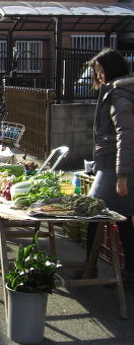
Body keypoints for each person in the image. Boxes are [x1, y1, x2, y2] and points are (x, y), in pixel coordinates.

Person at [86, 48, 134, 280]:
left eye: (101, 70)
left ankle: (89, 268)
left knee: (92, 213)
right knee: (123, 216)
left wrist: (122, 175)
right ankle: (128, 271)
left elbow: (126, 135)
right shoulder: (117, 91)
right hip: (112, 165)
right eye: (97, 71)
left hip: (116, 168)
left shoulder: (119, 94)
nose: (99, 75)